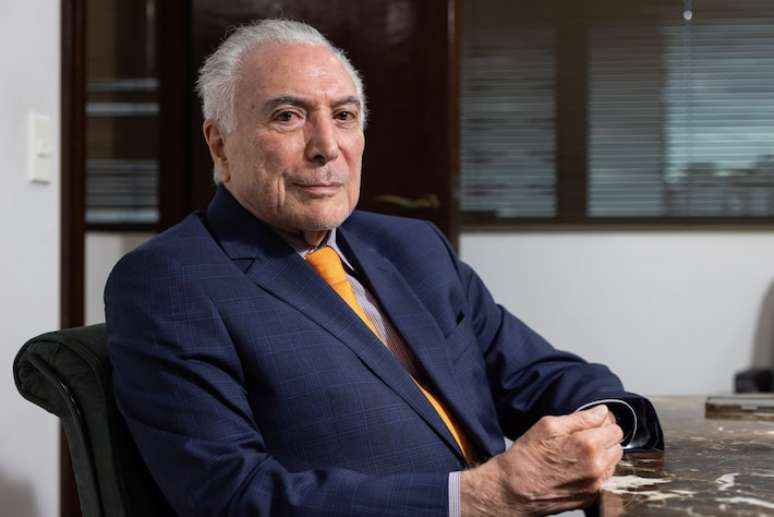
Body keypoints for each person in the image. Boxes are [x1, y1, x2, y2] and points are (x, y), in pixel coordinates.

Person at [105, 19, 662, 517]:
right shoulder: (169, 281)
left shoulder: (412, 245)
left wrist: (601, 426)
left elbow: (538, 375)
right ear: (220, 145)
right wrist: (477, 500)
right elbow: (231, 496)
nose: (326, 147)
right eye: (287, 116)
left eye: (343, 116)